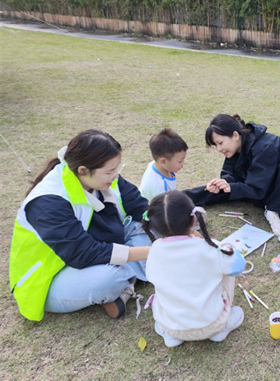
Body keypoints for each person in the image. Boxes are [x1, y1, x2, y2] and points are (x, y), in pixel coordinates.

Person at [9, 129, 151, 321]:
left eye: (116, 169)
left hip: (97, 248)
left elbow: (139, 205)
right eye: (110, 171)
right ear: (83, 170)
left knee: (149, 228)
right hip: (53, 277)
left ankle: (128, 283)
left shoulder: (102, 176)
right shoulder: (49, 201)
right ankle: (130, 277)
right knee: (111, 278)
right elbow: (83, 253)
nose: (116, 175)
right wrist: (153, 252)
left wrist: (174, 229)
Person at [143, 191, 246, 347]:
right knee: (227, 269)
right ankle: (221, 328)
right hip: (212, 324)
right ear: (193, 220)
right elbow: (238, 266)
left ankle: (170, 336)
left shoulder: (154, 251)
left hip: (171, 326)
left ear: (154, 227)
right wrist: (223, 246)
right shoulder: (209, 249)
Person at [184, 114, 280, 236]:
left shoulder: (265, 146)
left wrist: (231, 187)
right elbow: (230, 176)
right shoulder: (234, 148)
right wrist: (222, 183)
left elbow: (257, 189)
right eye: (215, 145)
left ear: (235, 135)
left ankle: (273, 211)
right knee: (224, 187)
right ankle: (182, 198)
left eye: (220, 143)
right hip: (263, 188)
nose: (218, 149)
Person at [139, 128, 188, 201]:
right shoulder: (158, 188)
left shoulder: (158, 165)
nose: (183, 163)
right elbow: (164, 207)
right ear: (163, 161)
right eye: (180, 161)